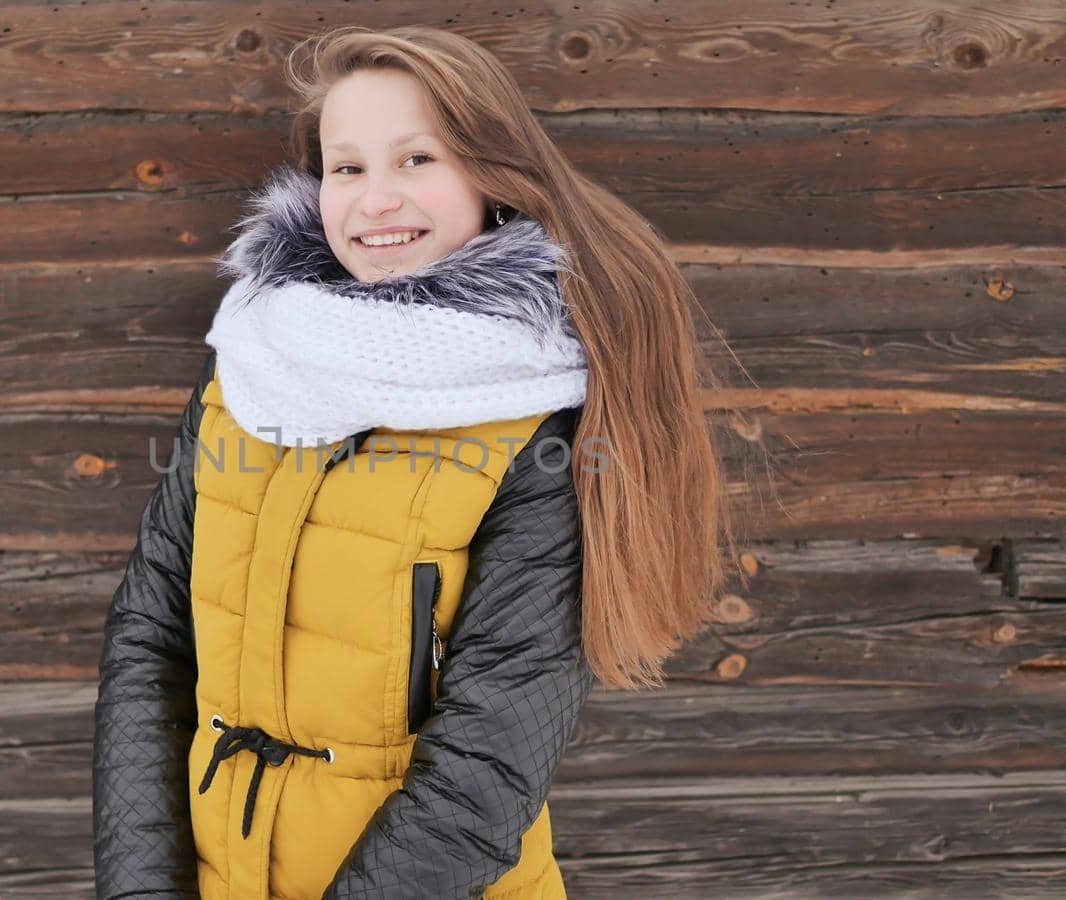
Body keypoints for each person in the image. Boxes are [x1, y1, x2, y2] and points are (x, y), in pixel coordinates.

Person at [94, 25, 731, 899]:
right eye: (348, 168)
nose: (376, 200)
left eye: (417, 160)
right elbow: (149, 641)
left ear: (492, 174)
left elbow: (485, 775)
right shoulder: (252, 362)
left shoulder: (539, 424)